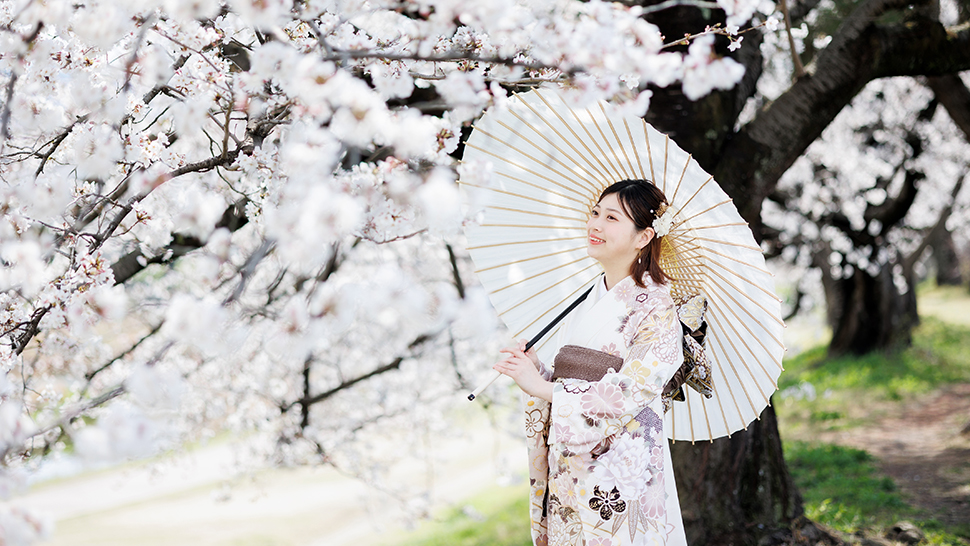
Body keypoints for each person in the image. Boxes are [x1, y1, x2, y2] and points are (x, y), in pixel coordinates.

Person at [493, 179, 687, 546]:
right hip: (567, 461)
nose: (595, 224)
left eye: (611, 218)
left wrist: (543, 387)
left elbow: (633, 391)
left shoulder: (657, 308)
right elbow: (567, 378)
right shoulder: (588, 298)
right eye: (595, 213)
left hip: (617, 468)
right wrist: (538, 370)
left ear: (643, 237)